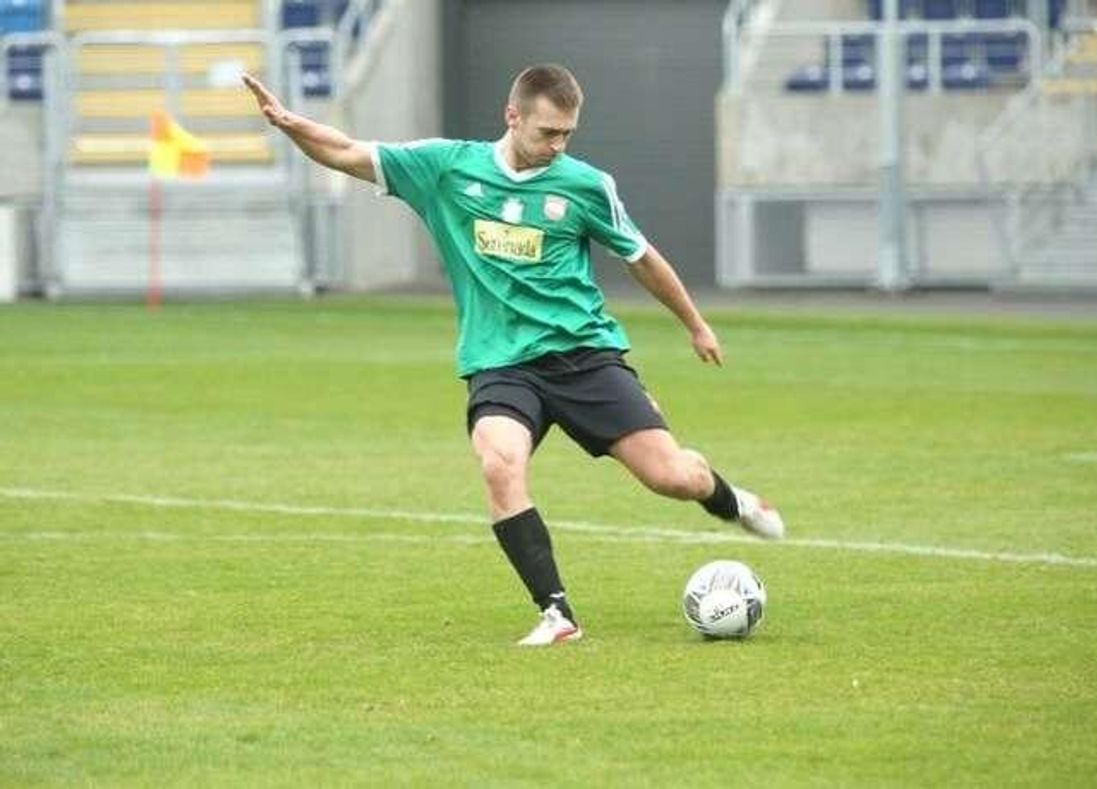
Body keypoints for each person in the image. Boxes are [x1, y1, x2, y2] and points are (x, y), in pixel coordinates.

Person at [242, 63, 785, 647]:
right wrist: (290, 123)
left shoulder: (584, 184)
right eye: (548, 132)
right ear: (513, 116)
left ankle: (737, 501)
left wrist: (695, 325)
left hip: (585, 357)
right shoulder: (446, 167)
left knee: (674, 477)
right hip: (500, 364)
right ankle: (557, 614)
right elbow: (348, 151)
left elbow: (642, 257)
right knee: (499, 462)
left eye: (567, 134)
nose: (558, 145)